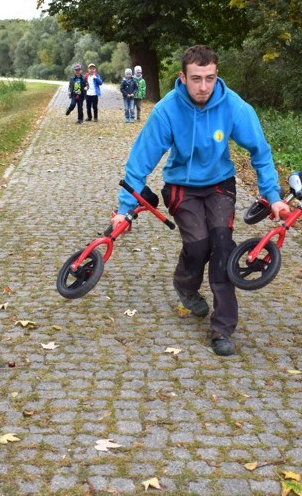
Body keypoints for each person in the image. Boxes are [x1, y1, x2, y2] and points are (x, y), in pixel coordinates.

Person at [110, 45, 290, 356]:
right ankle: (185, 284)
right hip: (182, 186)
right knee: (197, 247)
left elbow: (260, 150)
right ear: (182, 77)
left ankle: (222, 329)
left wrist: (272, 196)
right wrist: (125, 209)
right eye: (196, 79)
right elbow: (140, 161)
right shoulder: (167, 110)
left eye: (210, 78)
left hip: (220, 184)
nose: (203, 87)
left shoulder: (232, 105)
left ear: (217, 76)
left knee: (222, 245)